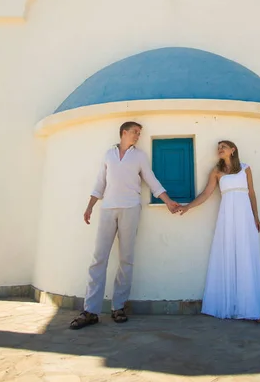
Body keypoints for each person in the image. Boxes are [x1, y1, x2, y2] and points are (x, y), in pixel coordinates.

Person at [70, 121, 179, 329]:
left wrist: (168, 202)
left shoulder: (139, 156)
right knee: (98, 259)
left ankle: (118, 307)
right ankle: (90, 310)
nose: (138, 135)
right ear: (124, 133)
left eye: (139, 133)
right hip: (108, 209)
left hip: (130, 208)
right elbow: (100, 183)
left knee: (126, 259)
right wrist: (89, 207)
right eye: (135, 132)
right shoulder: (108, 155)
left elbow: (151, 179)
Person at [178, 140, 260, 322]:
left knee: (245, 256)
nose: (220, 150)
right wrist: (188, 207)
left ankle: (251, 308)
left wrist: (255, 217)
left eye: (223, 147)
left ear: (233, 150)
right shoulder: (217, 172)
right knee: (227, 255)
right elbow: (206, 194)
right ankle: (229, 304)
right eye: (218, 147)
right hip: (227, 217)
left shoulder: (245, 168)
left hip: (244, 217)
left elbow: (251, 193)